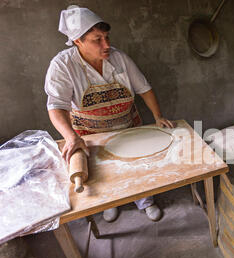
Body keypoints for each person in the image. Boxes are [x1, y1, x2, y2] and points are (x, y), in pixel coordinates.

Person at [45, 7, 175, 222]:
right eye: (97, 40)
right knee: (104, 175)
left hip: (127, 126)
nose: (106, 45)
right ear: (78, 41)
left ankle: (145, 201)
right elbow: (56, 107)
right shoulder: (62, 65)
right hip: (90, 133)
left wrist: (158, 116)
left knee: (136, 167)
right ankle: (110, 203)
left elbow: (143, 88)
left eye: (106, 37)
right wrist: (71, 137)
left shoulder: (119, 58)